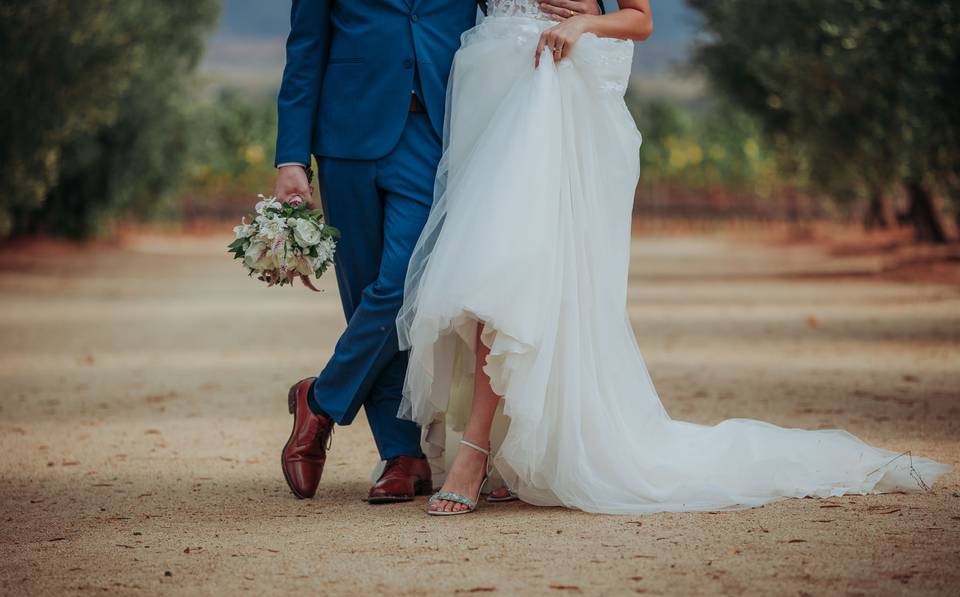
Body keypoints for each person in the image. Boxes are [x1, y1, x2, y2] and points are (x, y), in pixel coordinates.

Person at [396, 0, 951, 515]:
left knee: (507, 267)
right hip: (489, 83)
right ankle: (502, 446)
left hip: (553, 95)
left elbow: (640, 19)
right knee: (481, 267)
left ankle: (472, 452)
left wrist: (584, 23)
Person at [273, 0, 603, 504]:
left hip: (436, 132)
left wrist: (588, 12)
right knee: (366, 293)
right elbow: (305, 49)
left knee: (409, 285)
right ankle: (402, 454)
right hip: (346, 132)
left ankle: (318, 400)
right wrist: (292, 158)